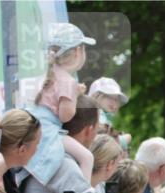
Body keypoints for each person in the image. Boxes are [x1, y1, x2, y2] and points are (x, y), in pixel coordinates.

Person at [30, 22, 96, 182]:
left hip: (34, 125)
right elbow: (65, 115)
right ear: (78, 51)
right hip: (48, 131)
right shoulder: (68, 81)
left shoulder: (48, 74)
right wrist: (74, 95)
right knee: (87, 157)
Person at [88, 77, 128, 141]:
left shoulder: (108, 117)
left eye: (116, 99)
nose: (114, 102)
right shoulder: (92, 114)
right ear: (97, 96)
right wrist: (123, 140)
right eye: (109, 97)